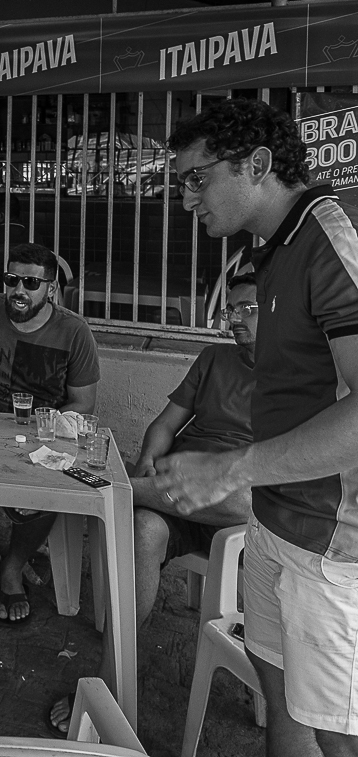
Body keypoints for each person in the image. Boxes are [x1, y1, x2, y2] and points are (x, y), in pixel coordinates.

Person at [141, 97, 358, 757]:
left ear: (257, 164)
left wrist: (231, 468)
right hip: (274, 519)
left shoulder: (331, 240)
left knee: (334, 732)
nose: (186, 200)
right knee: (280, 697)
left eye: (196, 178)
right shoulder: (273, 249)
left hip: (331, 545)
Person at [47, 272, 259, 736]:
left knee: (245, 501)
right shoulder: (214, 358)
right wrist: (146, 462)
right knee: (144, 529)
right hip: (173, 487)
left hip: (234, 509)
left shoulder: (303, 376)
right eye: (231, 311)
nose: (235, 321)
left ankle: (107, 485)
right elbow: (165, 426)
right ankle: (112, 681)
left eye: (248, 310)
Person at [0, 242, 99, 627]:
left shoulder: (74, 332)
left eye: (31, 282)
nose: (19, 290)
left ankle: (12, 567)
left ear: (51, 289)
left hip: (41, 434)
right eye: (12, 280)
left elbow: (83, 404)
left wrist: (46, 428)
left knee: (51, 485)